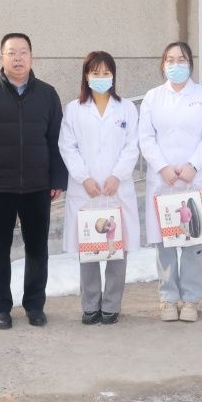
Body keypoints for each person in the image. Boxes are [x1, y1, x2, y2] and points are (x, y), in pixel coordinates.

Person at [0, 33, 67, 329]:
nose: (18, 58)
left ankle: (34, 305)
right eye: (11, 52)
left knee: (37, 250)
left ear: (32, 57)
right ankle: (0, 307)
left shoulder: (47, 94)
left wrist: (58, 178)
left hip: (37, 186)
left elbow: (57, 140)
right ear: (1, 57)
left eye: (23, 52)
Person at [139, 41, 202, 323]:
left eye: (181, 59)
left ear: (191, 64)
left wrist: (193, 165)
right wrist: (162, 167)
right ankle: (168, 298)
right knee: (164, 243)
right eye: (170, 60)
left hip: (194, 179)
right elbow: (145, 136)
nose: (176, 65)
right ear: (163, 65)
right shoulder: (153, 97)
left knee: (192, 241)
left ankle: (190, 299)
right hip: (162, 180)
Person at [58, 51, 140, 325]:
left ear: (114, 75)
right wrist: (84, 178)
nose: (101, 77)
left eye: (106, 72)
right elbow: (67, 146)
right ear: (86, 76)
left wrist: (118, 176)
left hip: (117, 189)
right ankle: (90, 304)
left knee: (117, 249)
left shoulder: (126, 109)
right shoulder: (73, 109)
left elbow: (132, 146)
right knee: (89, 249)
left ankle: (112, 305)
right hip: (87, 190)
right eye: (95, 72)